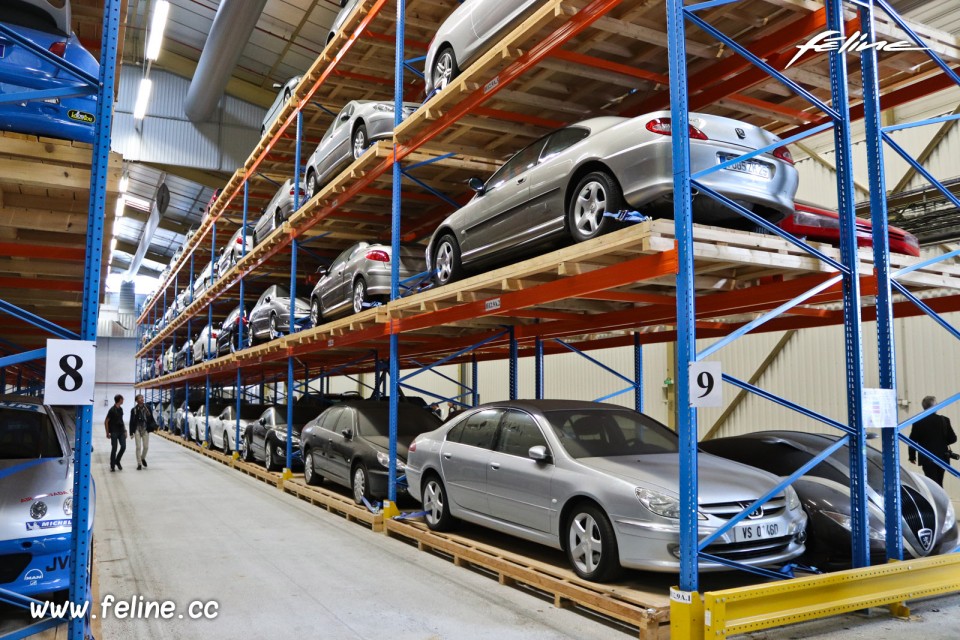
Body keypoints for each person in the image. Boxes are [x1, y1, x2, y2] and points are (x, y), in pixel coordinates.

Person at [908, 396, 958, 487]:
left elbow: (912, 441)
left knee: (931, 483)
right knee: (939, 482)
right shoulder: (944, 420)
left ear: (924, 407)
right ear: (936, 405)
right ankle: (940, 500)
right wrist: (941, 441)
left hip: (926, 457)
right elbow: (953, 439)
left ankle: (934, 500)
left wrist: (912, 456)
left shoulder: (917, 422)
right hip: (942, 457)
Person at [129, 394, 157, 470]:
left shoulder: (147, 407)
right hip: (137, 429)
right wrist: (131, 432)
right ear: (137, 400)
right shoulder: (134, 410)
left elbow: (151, 418)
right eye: (140, 398)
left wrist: (154, 426)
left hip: (145, 429)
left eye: (142, 398)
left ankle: (142, 458)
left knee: (146, 447)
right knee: (138, 447)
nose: (142, 399)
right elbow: (131, 421)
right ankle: (139, 464)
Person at [104, 394, 126, 472]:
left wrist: (125, 430)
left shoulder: (121, 409)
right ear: (120, 399)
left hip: (121, 431)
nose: (123, 400)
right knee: (114, 448)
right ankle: (112, 465)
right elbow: (106, 421)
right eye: (122, 399)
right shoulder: (112, 410)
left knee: (123, 447)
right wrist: (107, 432)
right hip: (114, 432)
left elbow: (121, 420)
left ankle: (117, 460)